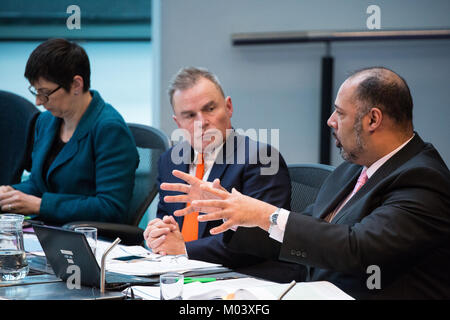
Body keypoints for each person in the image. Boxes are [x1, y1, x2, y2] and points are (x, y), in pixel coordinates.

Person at [162, 67, 450, 299]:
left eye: (340, 112)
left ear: (373, 119)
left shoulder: (423, 179)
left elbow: (359, 249)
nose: (330, 121)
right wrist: (234, 214)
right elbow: (305, 230)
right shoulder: (353, 169)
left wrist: (264, 214)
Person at [143, 67, 305, 282]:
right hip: (184, 273)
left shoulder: (261, 158)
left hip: (247, 278)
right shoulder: (170, 160)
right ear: (178, 123)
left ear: (228, 107)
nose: (201, 122)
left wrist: (183, 248)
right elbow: (167, 219)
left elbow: (260, 241)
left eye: (210, 109)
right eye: (190, 115)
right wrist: (158, 236)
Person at [0, 38, 139, 225]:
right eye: (35, 92)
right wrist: (10, 194)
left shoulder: (109, 129)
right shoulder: (46, 121)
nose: (38, 102)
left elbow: (111, 208)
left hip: (91, 240)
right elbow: (38, 184)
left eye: (45, 93)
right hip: (51, 231)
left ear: (76, 85)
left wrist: (40, 206)